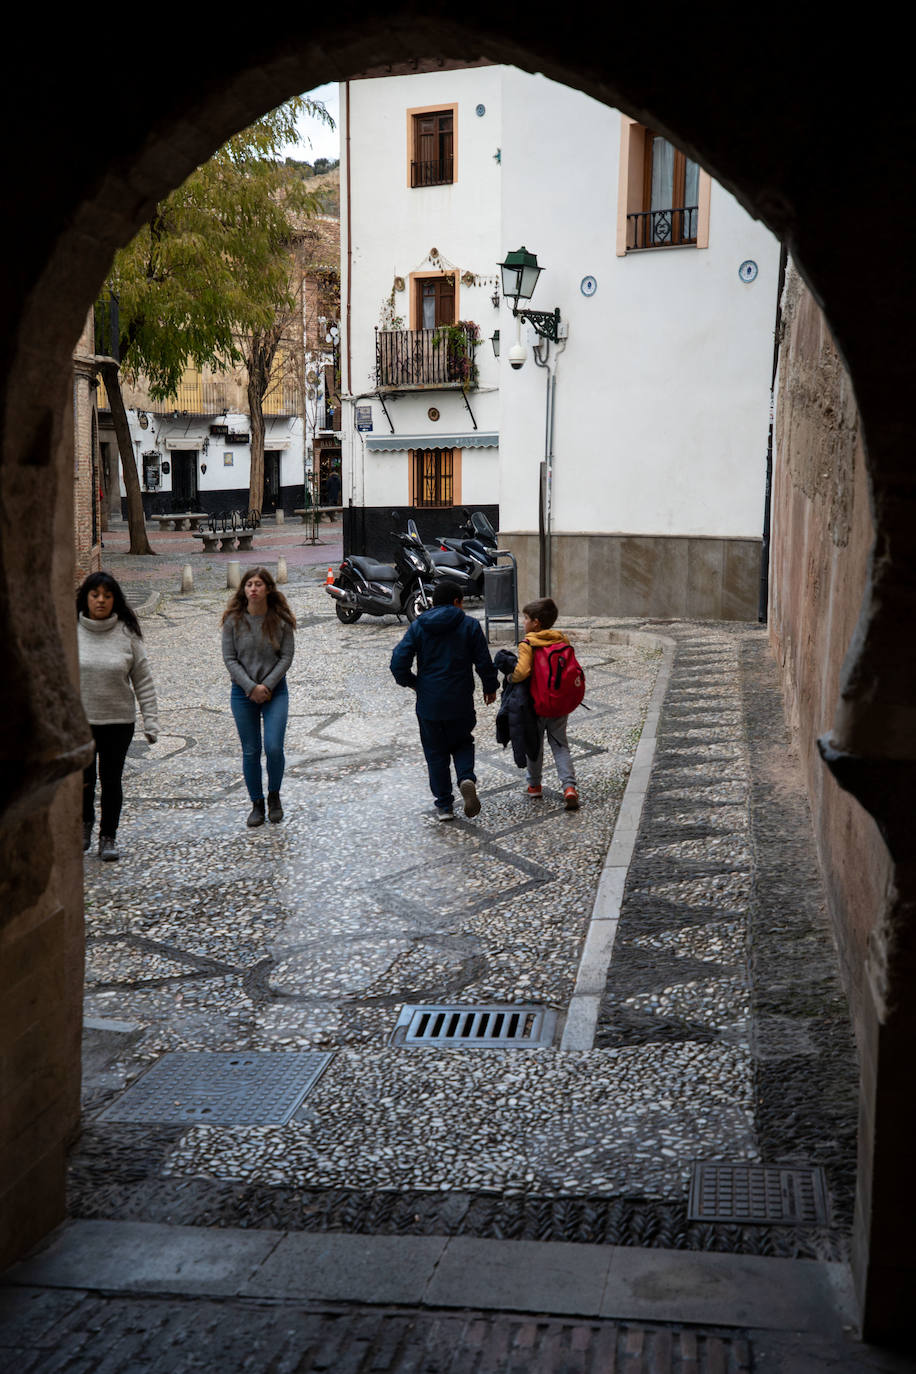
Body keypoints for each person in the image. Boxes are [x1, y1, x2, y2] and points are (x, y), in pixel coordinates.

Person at [390, 579, 498, 821]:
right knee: (462, 742)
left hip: (429, 703)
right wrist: (490, 687)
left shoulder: (419, 626)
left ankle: (444, 806)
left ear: (433, 602)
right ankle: (466, 777)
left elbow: (398, 662)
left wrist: (414, 683)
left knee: (435, 752)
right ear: (457, 601)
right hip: (460, 701)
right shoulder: (469, 625)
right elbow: (483, 661)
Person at [76, 571, 159, 860]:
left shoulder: (127, 634)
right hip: (80, 723)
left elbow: (143, 680)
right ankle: (84, 824)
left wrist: (151, 720)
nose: (101, 600)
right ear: (86, 598)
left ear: (115, 600)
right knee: (83, 781)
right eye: (95, 594)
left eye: (107, 596)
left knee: (111, 781)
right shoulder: (71, 630)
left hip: (118, 721)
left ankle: (108, 837)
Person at [221, 566, 296, 827]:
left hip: (275, 691)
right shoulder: (233, 620)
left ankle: (274, 795)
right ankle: (257, 803)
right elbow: (230, 659)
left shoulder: (281, 620)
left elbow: (286, 657)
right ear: (244, 589)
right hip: (242, 693)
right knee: (251, 750)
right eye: (249, 584)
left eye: (258, 584)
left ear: (268, 589)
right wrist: (251, 687)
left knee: (274, 747)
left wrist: (267, 685)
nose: (253, 588)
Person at [511, 596, 580, 810]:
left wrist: (509, 679)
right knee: (560, 745)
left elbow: (522, 672)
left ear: (536, 623)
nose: (524, 622)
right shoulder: (561, 640)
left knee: (535, 746)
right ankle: (569, 787)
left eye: (526, 618)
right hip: (560, 704)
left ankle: (534, 786)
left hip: (538, 705)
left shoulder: (528, 644)